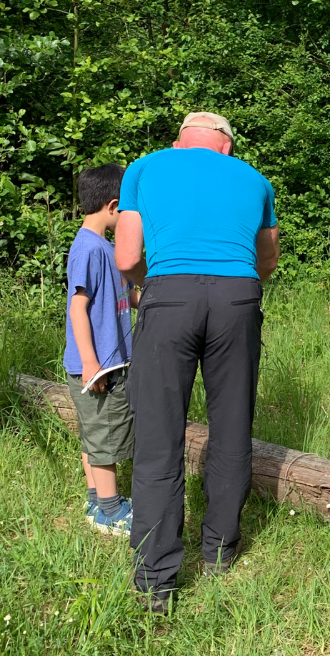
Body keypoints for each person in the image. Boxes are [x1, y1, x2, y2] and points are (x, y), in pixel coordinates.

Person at [114, 111, 280, 613]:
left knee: (159, 436)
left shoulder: (144, 168)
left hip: (168, 295)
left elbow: (125, 259)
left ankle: (156, 582)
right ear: (226, 146)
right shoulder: (256, 179)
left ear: (178, 142)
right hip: (237, 298)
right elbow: (267, 260)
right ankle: (220, 553)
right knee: (232, 425)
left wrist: (160, 278)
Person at [64, 163, 139, 536]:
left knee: (94, 434)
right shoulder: (88, 249)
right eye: (124, 209)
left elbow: (126, 293)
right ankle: (110, 511)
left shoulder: (106, 249)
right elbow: (78, 307)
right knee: (106, 436)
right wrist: (92, 363)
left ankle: (97, 501)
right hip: (99, 366)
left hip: (107, 361)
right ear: (112, 206)